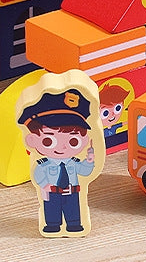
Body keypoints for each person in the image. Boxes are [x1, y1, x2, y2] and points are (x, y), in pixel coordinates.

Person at [18, 87, 97, 234]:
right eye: (48, 141)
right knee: (51, 210)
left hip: (72, 192)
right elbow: (38, 174)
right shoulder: (44, 164)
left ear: (84, 140)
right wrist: (44, 184)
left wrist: (89, 161)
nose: (62, 147)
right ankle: (52, 225)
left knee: (73, 209)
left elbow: (85, 171)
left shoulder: (73, 162)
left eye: (73, 141)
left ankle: (74, 224)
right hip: (52, 192)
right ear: (32, 140)